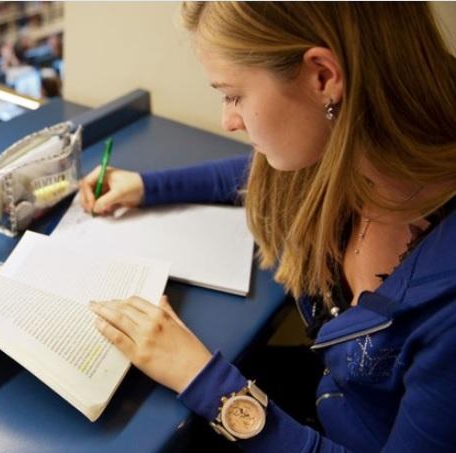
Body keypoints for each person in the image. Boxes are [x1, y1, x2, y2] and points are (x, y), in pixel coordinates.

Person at [79, 3, 456, 452]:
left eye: (233, 94)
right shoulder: (348, 143)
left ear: (322, 77)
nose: (228, 120)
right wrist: (147, 186)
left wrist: (206, 382)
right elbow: (260, 170)